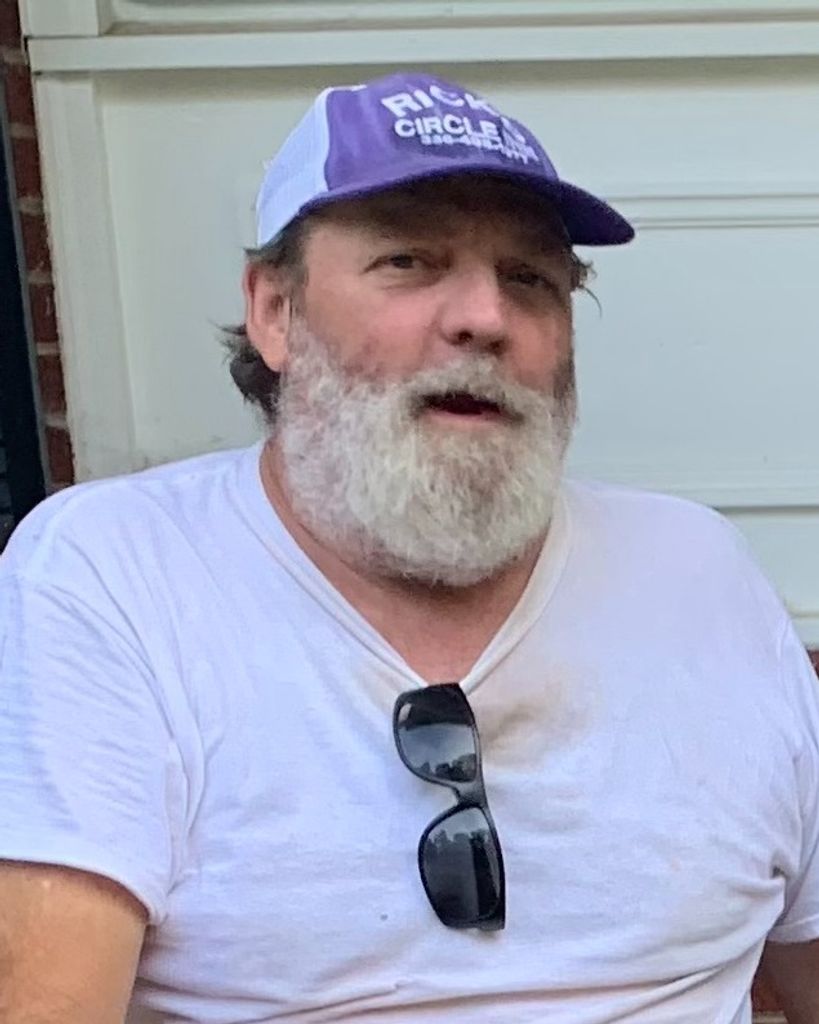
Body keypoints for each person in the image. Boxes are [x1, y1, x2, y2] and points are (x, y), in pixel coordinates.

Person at [0, 70, 817, 1024]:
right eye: (408, 261)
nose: (485, 317)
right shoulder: (112, 575)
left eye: (530, 277)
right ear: (275, 311)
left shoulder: (696, 574)